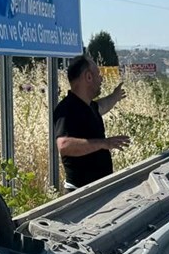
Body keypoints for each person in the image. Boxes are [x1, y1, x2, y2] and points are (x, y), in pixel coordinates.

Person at [53, 55, 130, 190]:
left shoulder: (89, 107)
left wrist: (115, 96)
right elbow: (64, 145)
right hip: (81, 195)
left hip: (96, 190)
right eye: (98, 75)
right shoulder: (67, 109)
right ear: (88, 77)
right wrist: (104, 143)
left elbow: (102, 106)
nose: (101, 79)